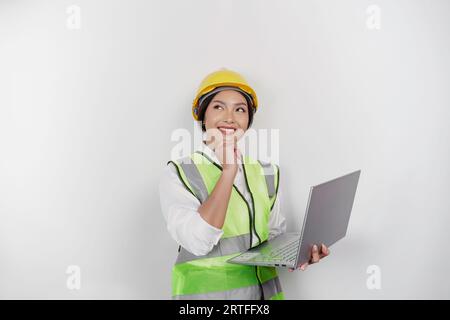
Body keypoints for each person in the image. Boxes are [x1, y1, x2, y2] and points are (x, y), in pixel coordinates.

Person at [159, 68, 329, 300]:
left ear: (248, 120)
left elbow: (273, 235)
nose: (230, 117)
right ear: (202, 115)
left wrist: (298, 253)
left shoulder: (267, 172)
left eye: (240, 109)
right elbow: (197, 242)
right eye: (219, 107)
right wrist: (229, 171)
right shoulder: (180, 172)